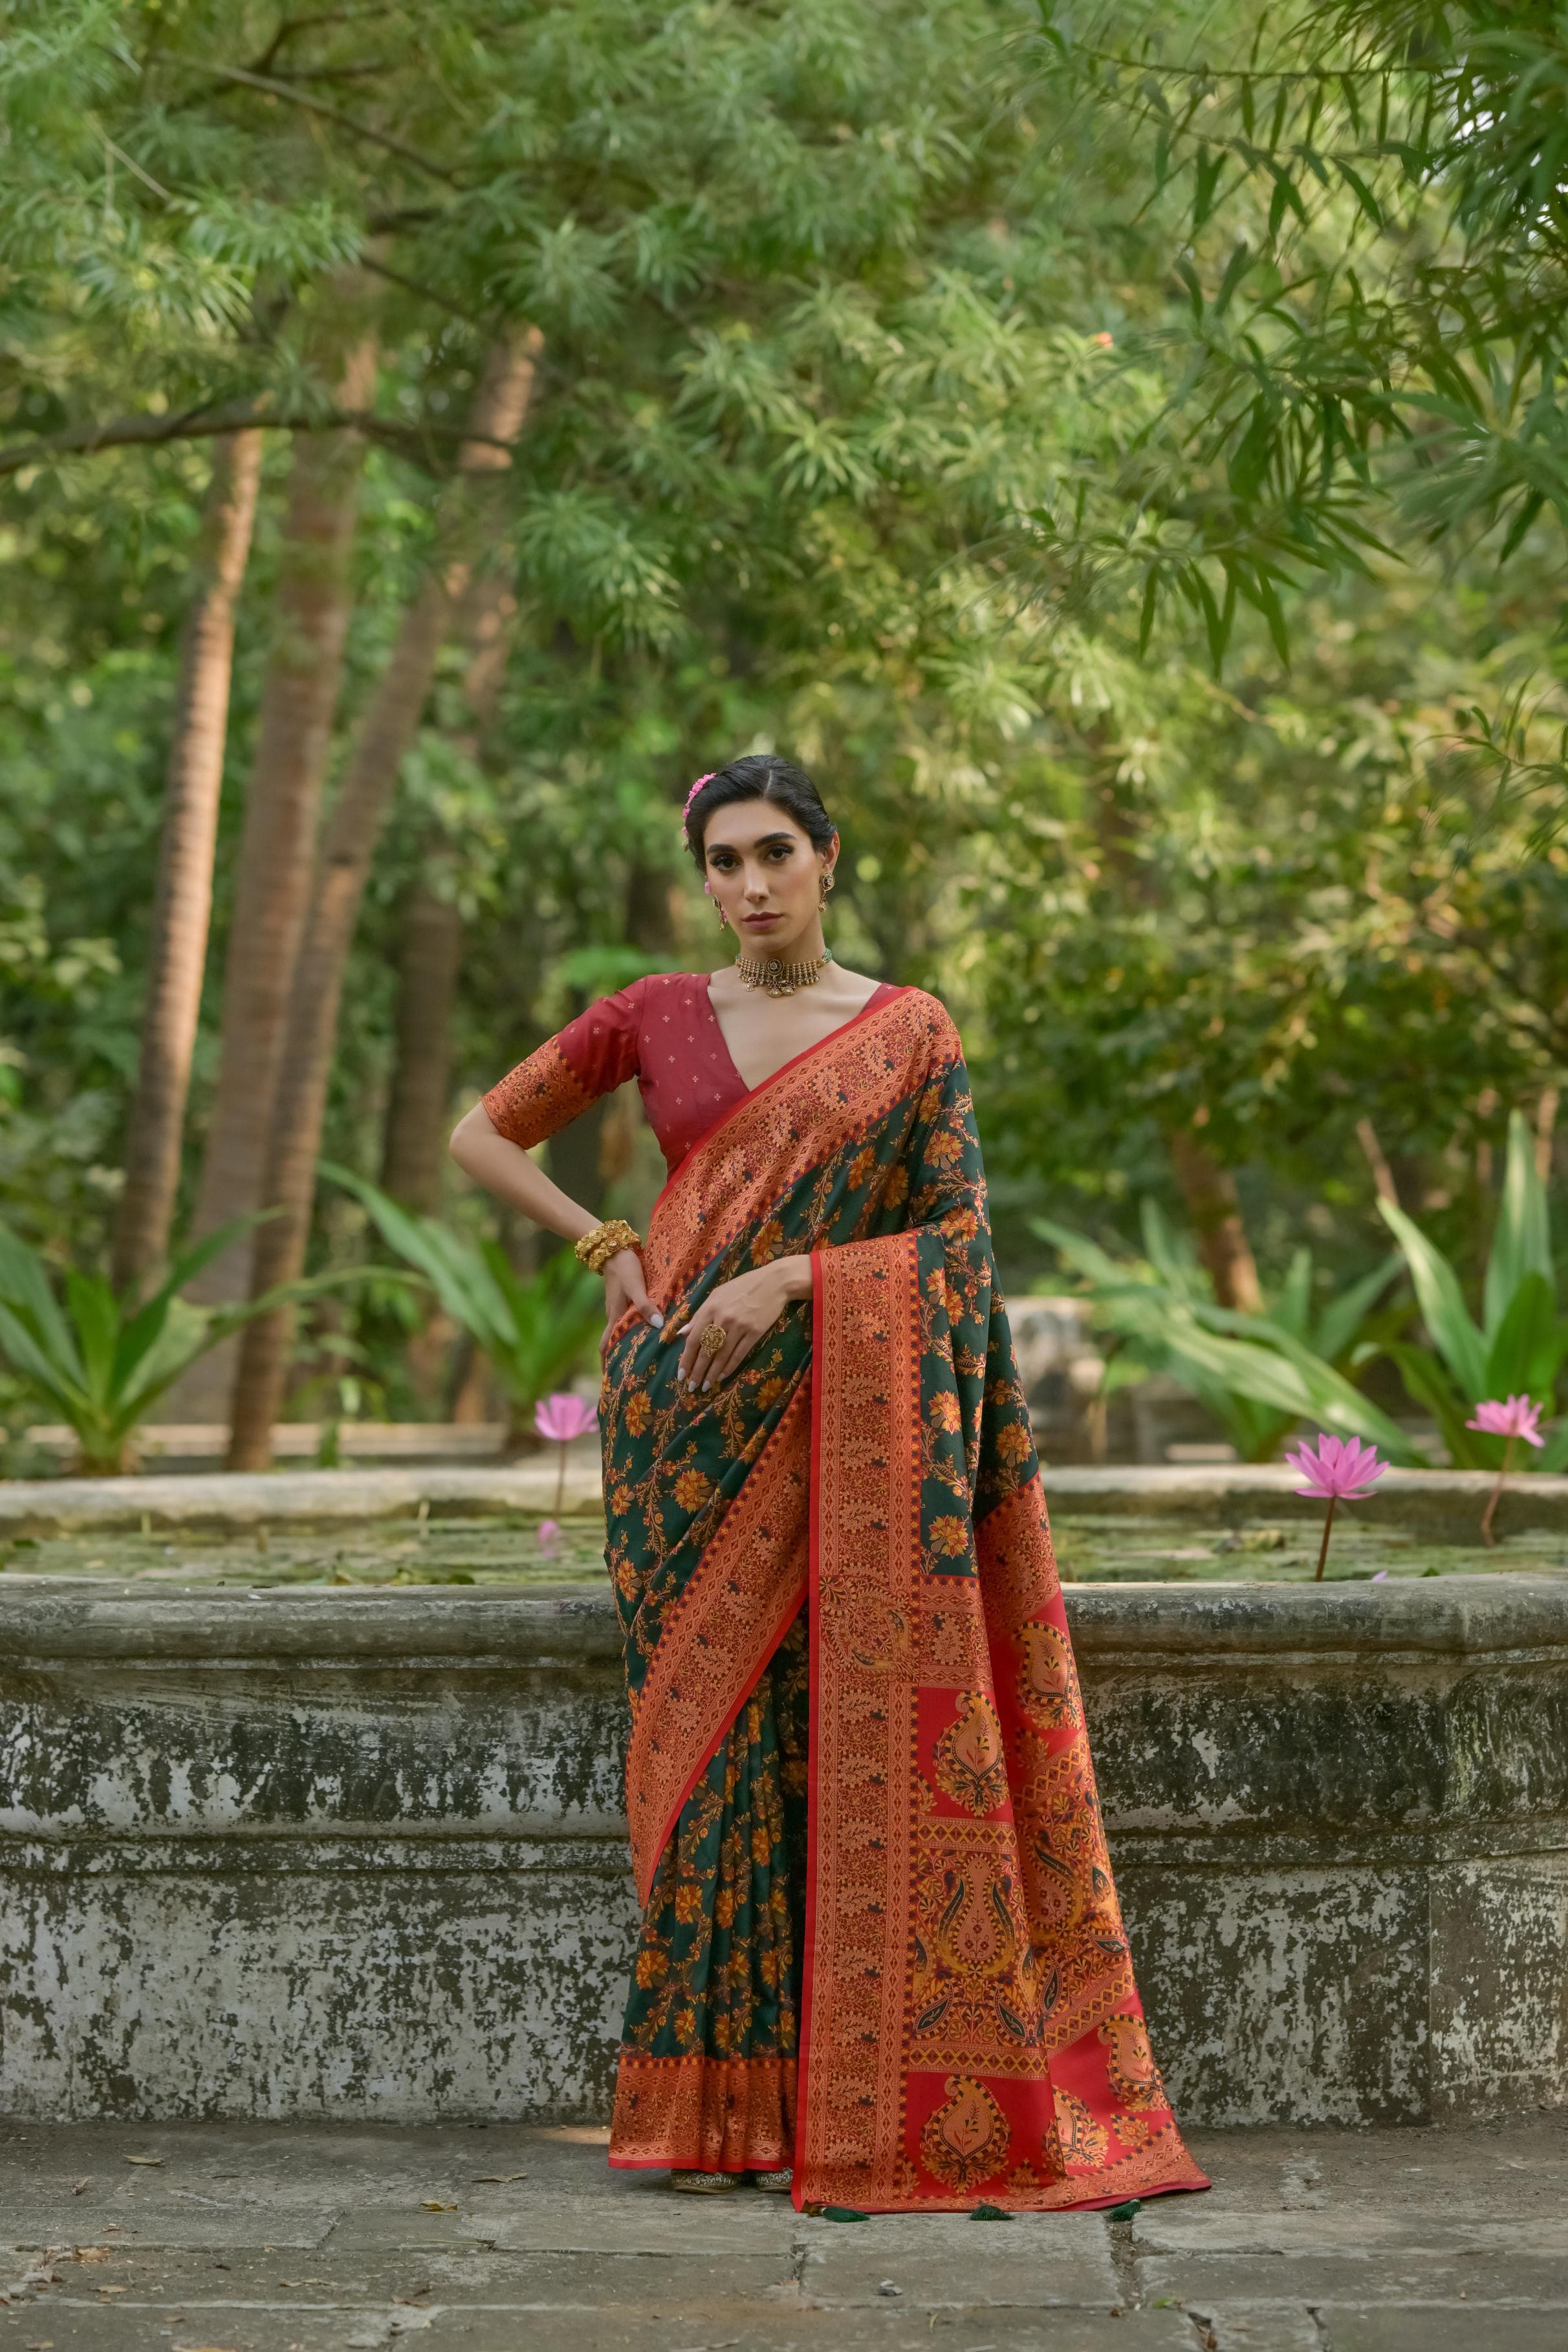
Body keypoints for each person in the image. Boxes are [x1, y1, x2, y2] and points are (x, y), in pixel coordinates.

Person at [451, 753, 1206, 2215]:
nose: (747, 888)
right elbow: (480, 1131)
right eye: (722, 862)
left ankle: (826, 2100)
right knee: (705, 1751)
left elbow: (961, 1242)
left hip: (841, 1417)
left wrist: (796, 1278)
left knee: (818, 1735)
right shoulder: (656, 1014)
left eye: (773, 855)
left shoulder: (908, 1031)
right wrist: (610, 1247)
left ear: (827, 857)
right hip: (678, 1422)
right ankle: (706, 2117)